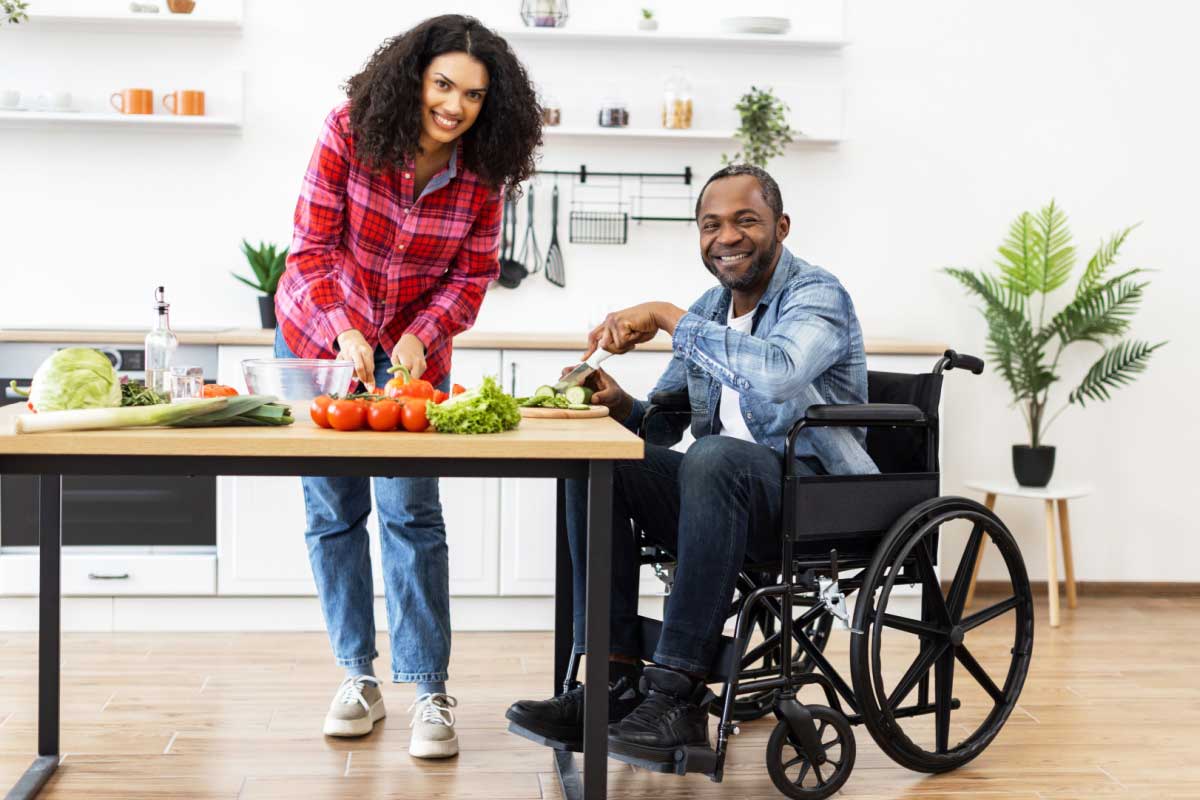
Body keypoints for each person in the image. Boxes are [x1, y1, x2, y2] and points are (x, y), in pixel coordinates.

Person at [506, 164, 878, 764]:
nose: (726, 237)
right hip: (720, 493)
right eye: (711, 225)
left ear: (781, 226)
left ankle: (677, 698)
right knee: (600, 461)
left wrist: (665, 316)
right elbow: (663, 425)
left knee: (713, 455)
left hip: (810, 498)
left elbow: (779, 374)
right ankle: (610, 679)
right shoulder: (711, 307)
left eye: (745, 221)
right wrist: (620, 404)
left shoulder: (817, 295)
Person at [274, 14, 540, 757]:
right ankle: (357, 678)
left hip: (415, 352)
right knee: (334, 511)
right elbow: (311, 249)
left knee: (411, 512)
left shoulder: (484, 169)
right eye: (443, 85)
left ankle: (429, 690)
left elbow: (473, 275)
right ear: (414, 78)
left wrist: (422, 334)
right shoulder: (349, 131)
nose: (455, 106)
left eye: (474, 95)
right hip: (321, 336)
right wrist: (345, 332)